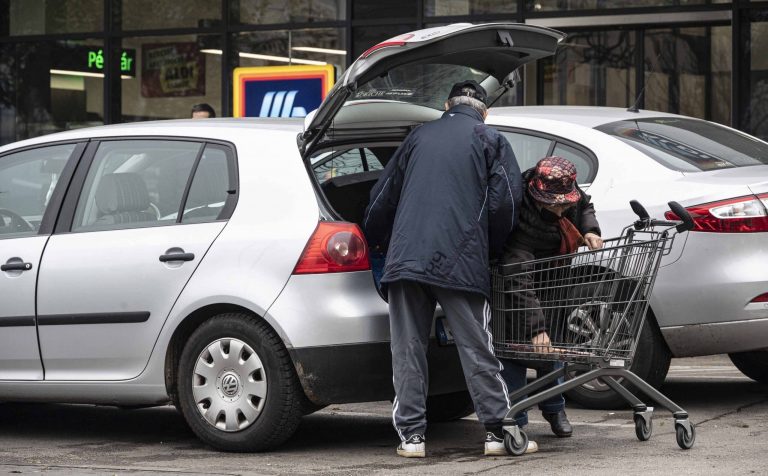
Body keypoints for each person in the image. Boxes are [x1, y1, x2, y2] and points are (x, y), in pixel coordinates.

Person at [364, 80, 525, 458]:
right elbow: (508, 204)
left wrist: (379, 240)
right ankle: (497, 433)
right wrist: (492, 249)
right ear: (483, 111)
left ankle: (412, 438)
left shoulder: (418, 137)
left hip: (407, 259)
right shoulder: (490, 139)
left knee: (407, 348)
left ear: (446, 104)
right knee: (476, 346)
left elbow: (380, 198)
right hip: (461, 259)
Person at [498, 156, 603, 446]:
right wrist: (535, 329)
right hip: (516, 289)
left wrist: (591, 229)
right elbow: (519, 282)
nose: (562, 209)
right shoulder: (517, 212)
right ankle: (515, 420)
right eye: (555, 204)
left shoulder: (568, 193)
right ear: (537, 195)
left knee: (551, 349)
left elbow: (585, 204)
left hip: (554, 280)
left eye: (565, 203)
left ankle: (555, 410)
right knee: (515, 352)